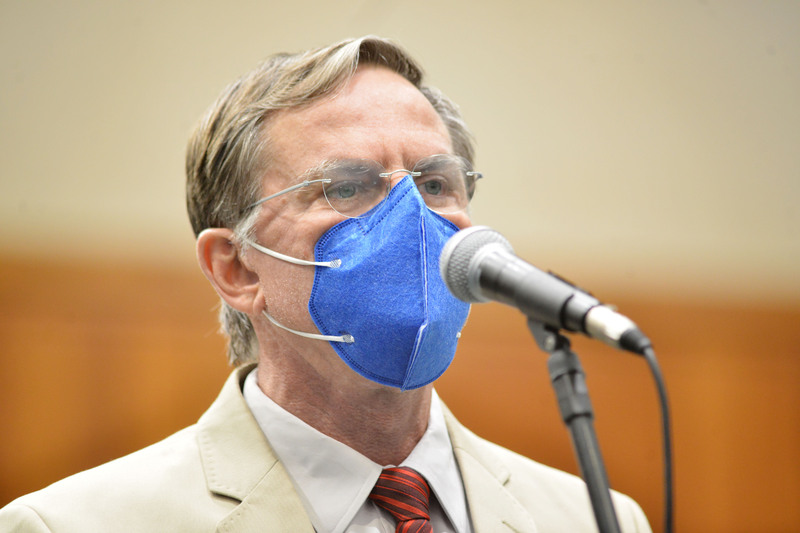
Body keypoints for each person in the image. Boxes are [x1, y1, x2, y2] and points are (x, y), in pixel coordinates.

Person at [0, 36, 651, 532]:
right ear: (237, 268)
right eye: (347, 187)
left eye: (434, 183)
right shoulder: (71, 525)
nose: (412, 222)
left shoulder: (597, 519)